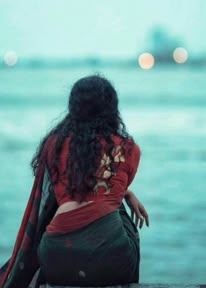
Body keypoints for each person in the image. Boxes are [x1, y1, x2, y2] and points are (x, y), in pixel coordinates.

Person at [0, 75, 149, 288]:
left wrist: (126, 193)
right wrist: (127, 193)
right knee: (119, 211)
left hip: (55, 256)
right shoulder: (128, 148)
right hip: (111, 261)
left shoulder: (54, 145)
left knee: (63, 201)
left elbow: (78, 185)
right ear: (112, 108)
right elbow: (110, 187)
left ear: (73, 107)